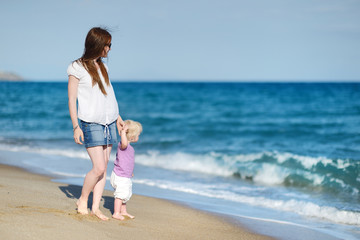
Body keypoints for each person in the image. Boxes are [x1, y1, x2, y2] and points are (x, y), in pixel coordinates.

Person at [67, 27, 125, 221]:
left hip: (109, 122)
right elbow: (72, 98)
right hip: (91, 122)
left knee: (104, 169)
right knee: (98, 167)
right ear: (97, 44)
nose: (109, 49)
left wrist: (117, 117)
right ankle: (83, 200)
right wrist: (76, 126)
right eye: (107, 45)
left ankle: (95, 208)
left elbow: (108, 95)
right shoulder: (76, 67)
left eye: (110, 45)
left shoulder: (104, 67)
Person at [110, 119, 142, 220]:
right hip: (120, 176)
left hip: (124, 175)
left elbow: (127, 161)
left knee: (125, 193)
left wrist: (130, 172)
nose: (138, 137)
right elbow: (124, 142)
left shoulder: (129, 148)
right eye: (138, 135)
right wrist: (123, 132)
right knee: (120, 195)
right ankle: (116, 212)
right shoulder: (124, 145)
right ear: (132, 137)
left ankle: (123, 211)